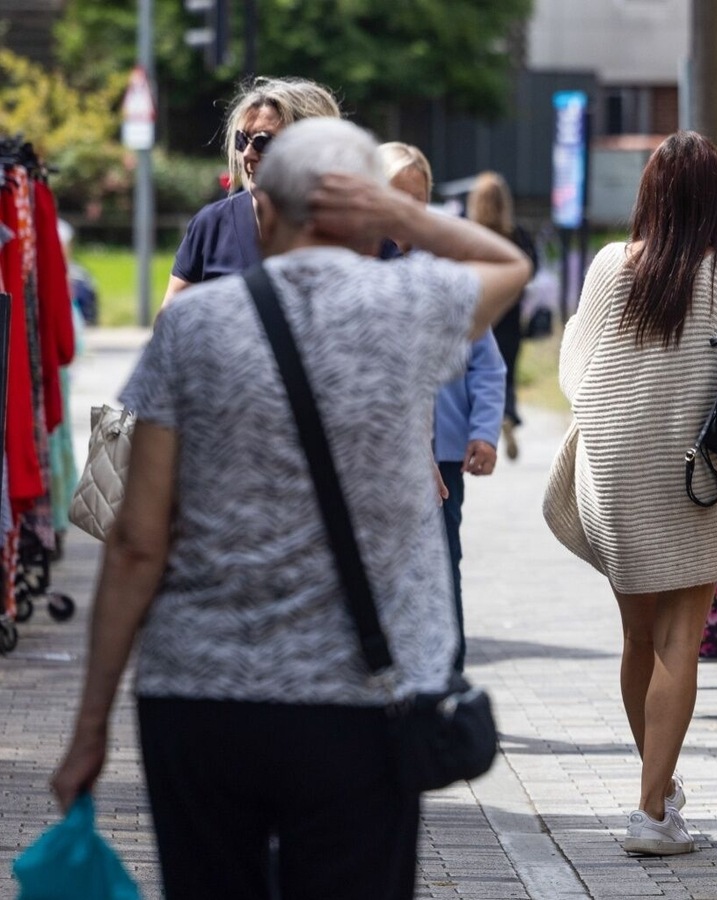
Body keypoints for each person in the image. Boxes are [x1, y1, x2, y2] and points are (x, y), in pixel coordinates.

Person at [50, 118, 531, 899]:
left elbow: (138, 539)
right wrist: (401, 214)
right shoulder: (410, 309)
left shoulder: (195, 327)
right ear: (366, 213)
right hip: (360, 705)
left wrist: (90, 725)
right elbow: (507, 261)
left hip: (199, 694)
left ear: (263, 212)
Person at [543, 131, 717, 856]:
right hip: (710, 477)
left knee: (638, 638)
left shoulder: (611, 265)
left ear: (651, 196)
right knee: (679, 642)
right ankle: (650, 810)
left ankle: (658, 796)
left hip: (618, 469)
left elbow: (577, 374)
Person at [379, 143, 506, 673]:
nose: (408, 211)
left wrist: (485, 430)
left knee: (440, 560)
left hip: (444, 453)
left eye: (418, 199)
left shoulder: (450, 270)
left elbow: (488, 363)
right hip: (380, 453)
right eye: (395, 197)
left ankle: (445, 670)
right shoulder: (358, 264)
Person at [164, 76, 341, 300]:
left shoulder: (356, 233)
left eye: (263, 142)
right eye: (242, 140)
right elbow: (169, 325)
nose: (247, 154)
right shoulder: (211, 226)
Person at [465, 172, 538, 460]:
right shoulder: (516, 234)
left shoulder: (470, 233)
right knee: (506, 372)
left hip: (480, 315)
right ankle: (507, 413)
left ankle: (483, 426)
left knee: (478, 372)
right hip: (510, 316)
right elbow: (533, 268)